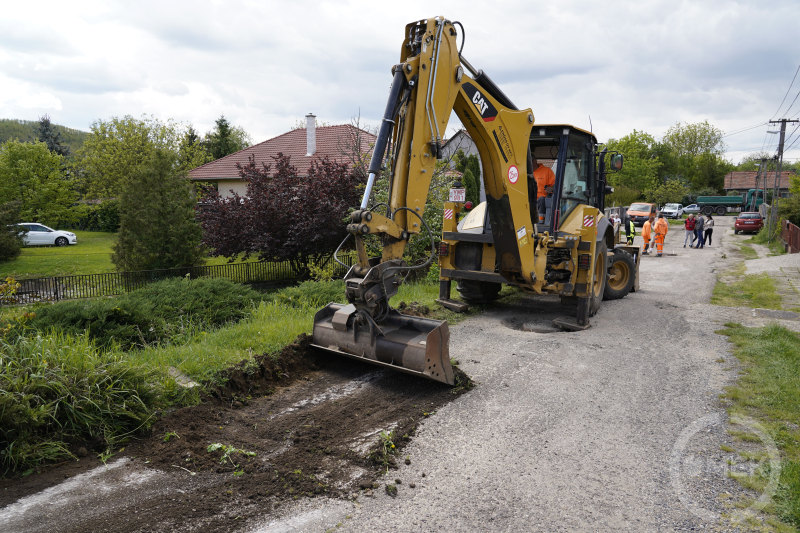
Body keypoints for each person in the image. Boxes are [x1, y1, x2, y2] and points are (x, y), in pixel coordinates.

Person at [532, 154, 555, 224]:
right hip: (529, 200)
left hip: (541, 200)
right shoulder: (524, 173)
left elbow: (555, 186)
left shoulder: (547, 171)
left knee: (541, 199)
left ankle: (540, 221)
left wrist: (551, 189)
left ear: (534, 161)